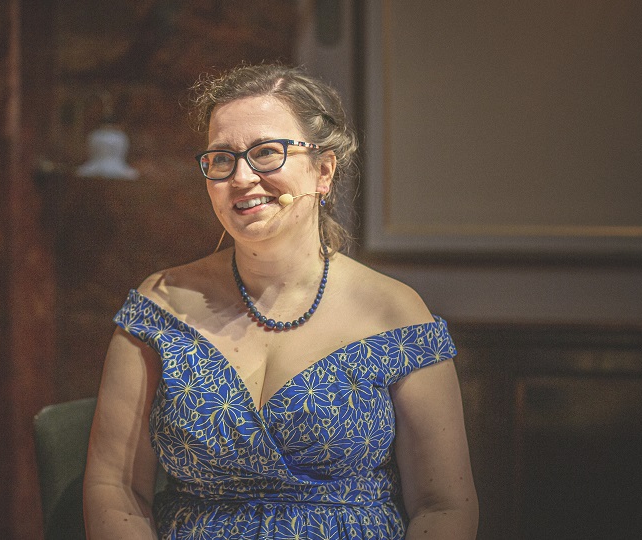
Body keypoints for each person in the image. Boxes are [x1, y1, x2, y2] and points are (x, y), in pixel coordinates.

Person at [83, 63, 478, 540]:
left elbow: (443, 507)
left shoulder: (395, 314)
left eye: (267, 153)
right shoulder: (161, 306)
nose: (241, 177)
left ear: (323, 171)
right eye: (222, 159)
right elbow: (116, 488)